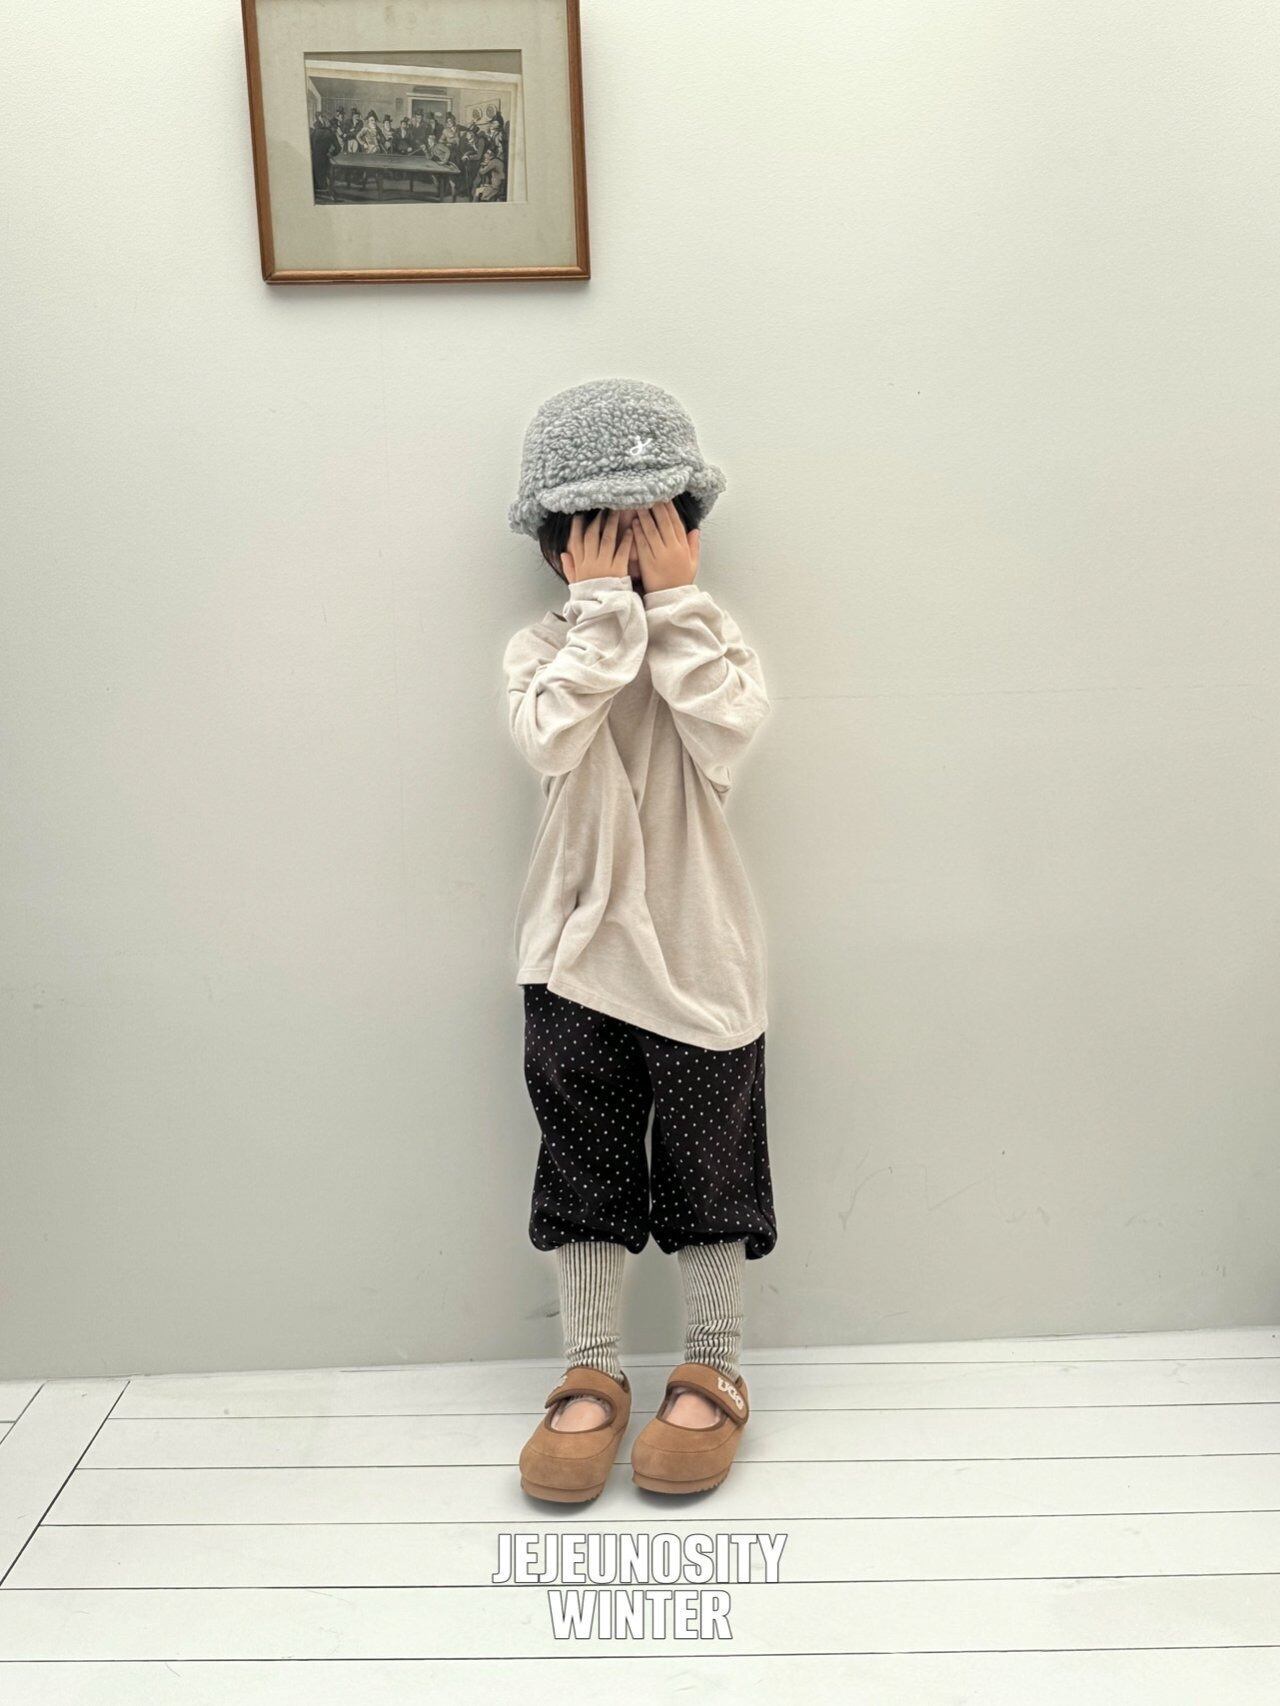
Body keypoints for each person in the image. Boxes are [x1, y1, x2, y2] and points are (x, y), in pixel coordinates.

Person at [502, 379, 776, 1502]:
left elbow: (730, 727)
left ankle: (712, 1362)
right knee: (583, 1158)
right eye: (602, 531)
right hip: (571, 956)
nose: (626, 547)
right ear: (559, 546)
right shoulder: (540, 651)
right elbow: (550, 738)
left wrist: (674, 606)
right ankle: (593, 1366)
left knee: (711, 1162)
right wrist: (604, 612)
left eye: (649, 525)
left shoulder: (705, 644)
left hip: (700, 954)